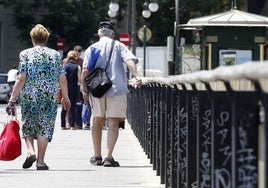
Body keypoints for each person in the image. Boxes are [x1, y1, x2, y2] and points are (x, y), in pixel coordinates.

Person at [8, 24, 71, 170]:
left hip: (30, 95)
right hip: (49, 95)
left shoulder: (25, 54)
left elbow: (21, 78)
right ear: (46, 38)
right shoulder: (55, 55)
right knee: (45, 127)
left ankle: (30, 151)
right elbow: (62, 78)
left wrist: (12, 97)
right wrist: (66, 97)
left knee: (28, 123)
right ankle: (41, 162)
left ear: (32, 38)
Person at [81, 21, 142, 167]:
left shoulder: (91, 48)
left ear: (99, 34)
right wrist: (137, 76)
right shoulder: (119, 45)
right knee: (113, 121)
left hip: (96, 90)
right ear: (112, 34)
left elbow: (85, 71)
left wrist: (84, 89)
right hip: (116, 88)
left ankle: (97, 156)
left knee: (97, 119)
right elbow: (129, 61)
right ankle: (108, 157)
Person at [61, 50, 81, 130]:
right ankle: (72, 125)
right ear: (75, 57)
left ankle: (63, 124)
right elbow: (79, 79)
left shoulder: (64, 66)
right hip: (74, 88)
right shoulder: (77, 67)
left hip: (65, 87)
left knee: (64, 106)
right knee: (73, 106)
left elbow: (62, 78)